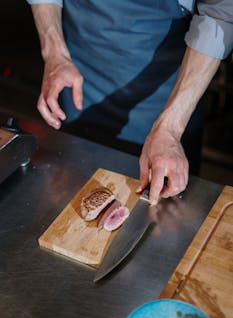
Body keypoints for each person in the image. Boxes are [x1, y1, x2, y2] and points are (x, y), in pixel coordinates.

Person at [27, 0, 233, 205]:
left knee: (162, 216)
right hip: (79, 74)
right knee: (72, 194)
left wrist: (170, 128)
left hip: (165, 93)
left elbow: (220, 14)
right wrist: (54, 54)